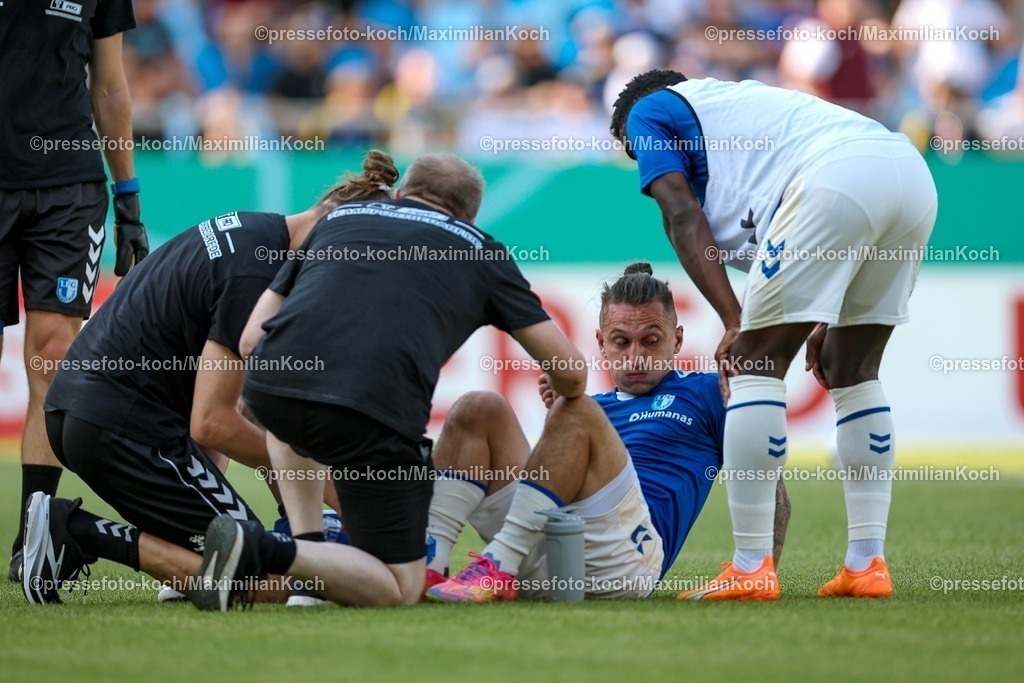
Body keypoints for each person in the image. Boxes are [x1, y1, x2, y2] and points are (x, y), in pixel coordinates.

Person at [188, 152, 588, 611]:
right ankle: (264, 550)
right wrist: (565, 389)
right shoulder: (481, 250)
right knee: (400, 587)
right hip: (373, 412)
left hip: (272, 390)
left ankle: (308, 567)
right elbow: (572, 371)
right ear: (471, 216)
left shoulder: (335, 221)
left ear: (401, 195)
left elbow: (251, 339)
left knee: (287, 405)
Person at [610, 70, 938, 599]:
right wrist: (824, 316)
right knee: (852, 370)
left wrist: (735, 321)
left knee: (752, 366)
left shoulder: (647, 112)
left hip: (837, 179)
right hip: (908, 177)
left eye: (637, 156)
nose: (645, 168)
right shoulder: (736, 112)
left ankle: (749, 567)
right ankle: (865, 565)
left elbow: (680, 213)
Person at [20, 152, 398, 605]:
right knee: (271, 578)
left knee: (260, 550)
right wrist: (329, 490)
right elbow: (212, 424)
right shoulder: (257, 274)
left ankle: (183, 551)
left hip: (86, 414)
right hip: (121, 430)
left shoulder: (255, 234)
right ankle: (76, 531)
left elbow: (245, 405)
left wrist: (299, 510)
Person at [426, 263, 790, 603]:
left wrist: (759, 567)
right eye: (621, 342)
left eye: (650, 340)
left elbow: (769, 486)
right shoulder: (590, 407)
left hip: (621, 562)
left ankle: (499, 562)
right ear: (601, 343)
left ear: (677, 340)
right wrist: (560, 418)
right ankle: (428, 566)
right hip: (548, 548)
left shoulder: (709, 392)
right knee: (478, 407)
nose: (635, 356)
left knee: (578, 407)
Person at [1, 0, 150, 582]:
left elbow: (109, 85)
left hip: (69, 187)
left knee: (53, 354)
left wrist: (128, 197)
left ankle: (32, 542)